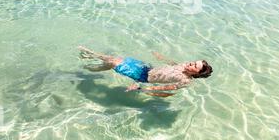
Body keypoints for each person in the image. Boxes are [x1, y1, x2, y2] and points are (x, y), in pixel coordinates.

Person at [78, 47, 213, 97]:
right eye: (194, 61)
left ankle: (90, 56)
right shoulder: (184, 65)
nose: (191, 63)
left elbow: (166, 91)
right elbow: (173, 64)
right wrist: (161, 57)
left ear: (196, 73)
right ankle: (91, 67)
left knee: (113, 62)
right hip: (146, 68)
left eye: (195, 65)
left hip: (142, 76)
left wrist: (140, 89)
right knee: (115, 61)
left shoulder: (185, 81)